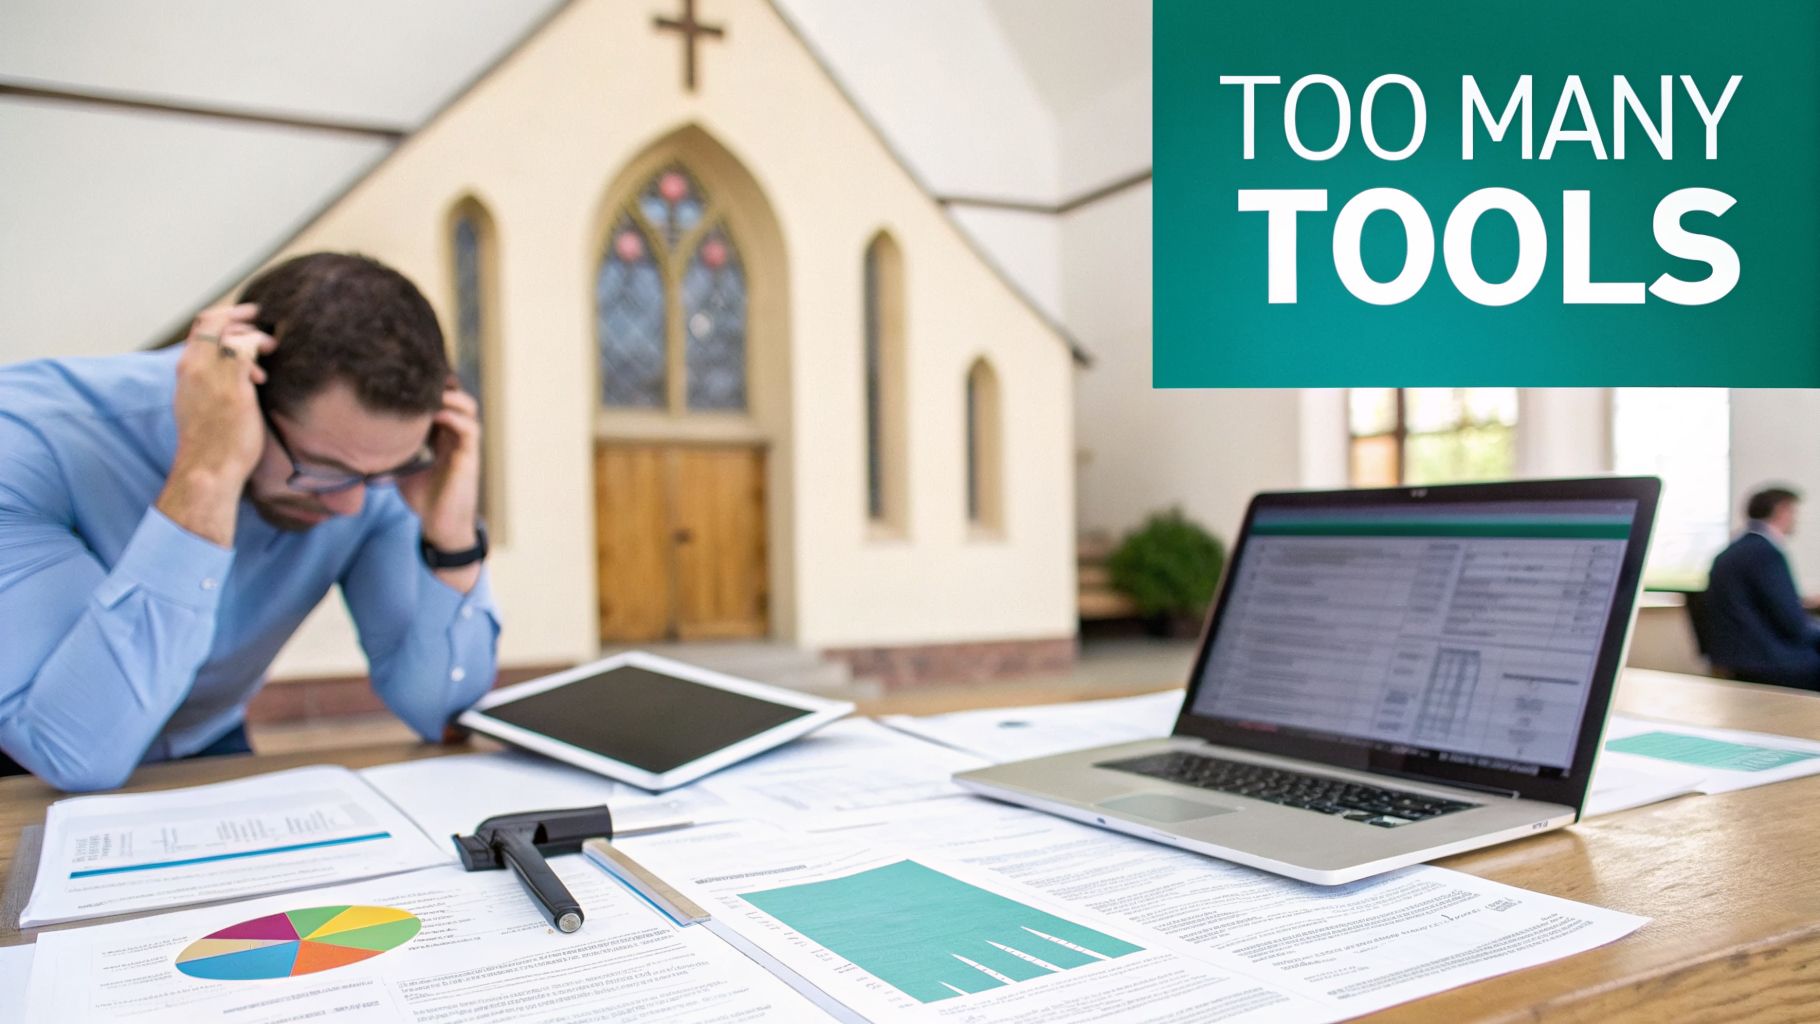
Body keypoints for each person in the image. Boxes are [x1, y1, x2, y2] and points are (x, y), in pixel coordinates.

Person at [0, 253, 500, 791]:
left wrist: (451, 543)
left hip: (207, 746)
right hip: (23, 764)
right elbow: (72, 750)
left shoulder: (374, 472)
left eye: (387, 470)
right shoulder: (28, 440)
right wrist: (207, 470)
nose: (351, 507)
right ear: (241, 396)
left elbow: (441, 715)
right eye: (323, 470)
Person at [1703, 485, 1820, 691]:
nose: (1796, 519)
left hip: (1737, 658)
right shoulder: (1766, 553)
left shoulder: (1732, 550)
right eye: (1794, 512)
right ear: (1782, 510)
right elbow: (1793, 625)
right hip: (1770, 662)